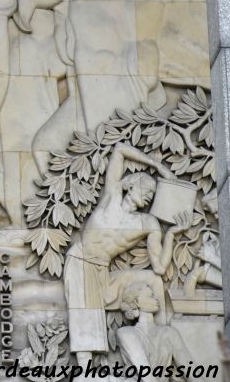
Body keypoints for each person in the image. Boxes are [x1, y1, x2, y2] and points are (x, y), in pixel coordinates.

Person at [63, 143, 189, 374]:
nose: (150, 194)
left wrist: (171, 234)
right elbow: (120, 149)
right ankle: (85, 371)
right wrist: (157, 166)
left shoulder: (148, 224)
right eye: (147, 188)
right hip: (81, 260)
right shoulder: (110, 197)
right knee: (84, 310)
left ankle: (156, 339)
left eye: (153, 193)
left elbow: (160, 268)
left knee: (152, 280)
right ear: (130, 185)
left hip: (104, 271)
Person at [115, 280, 193, 381]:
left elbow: (191, 372)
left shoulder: (169, 333)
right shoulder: (126, 333)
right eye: (150, 296)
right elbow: (145, 373)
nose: (156, 298)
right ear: (136, 302)